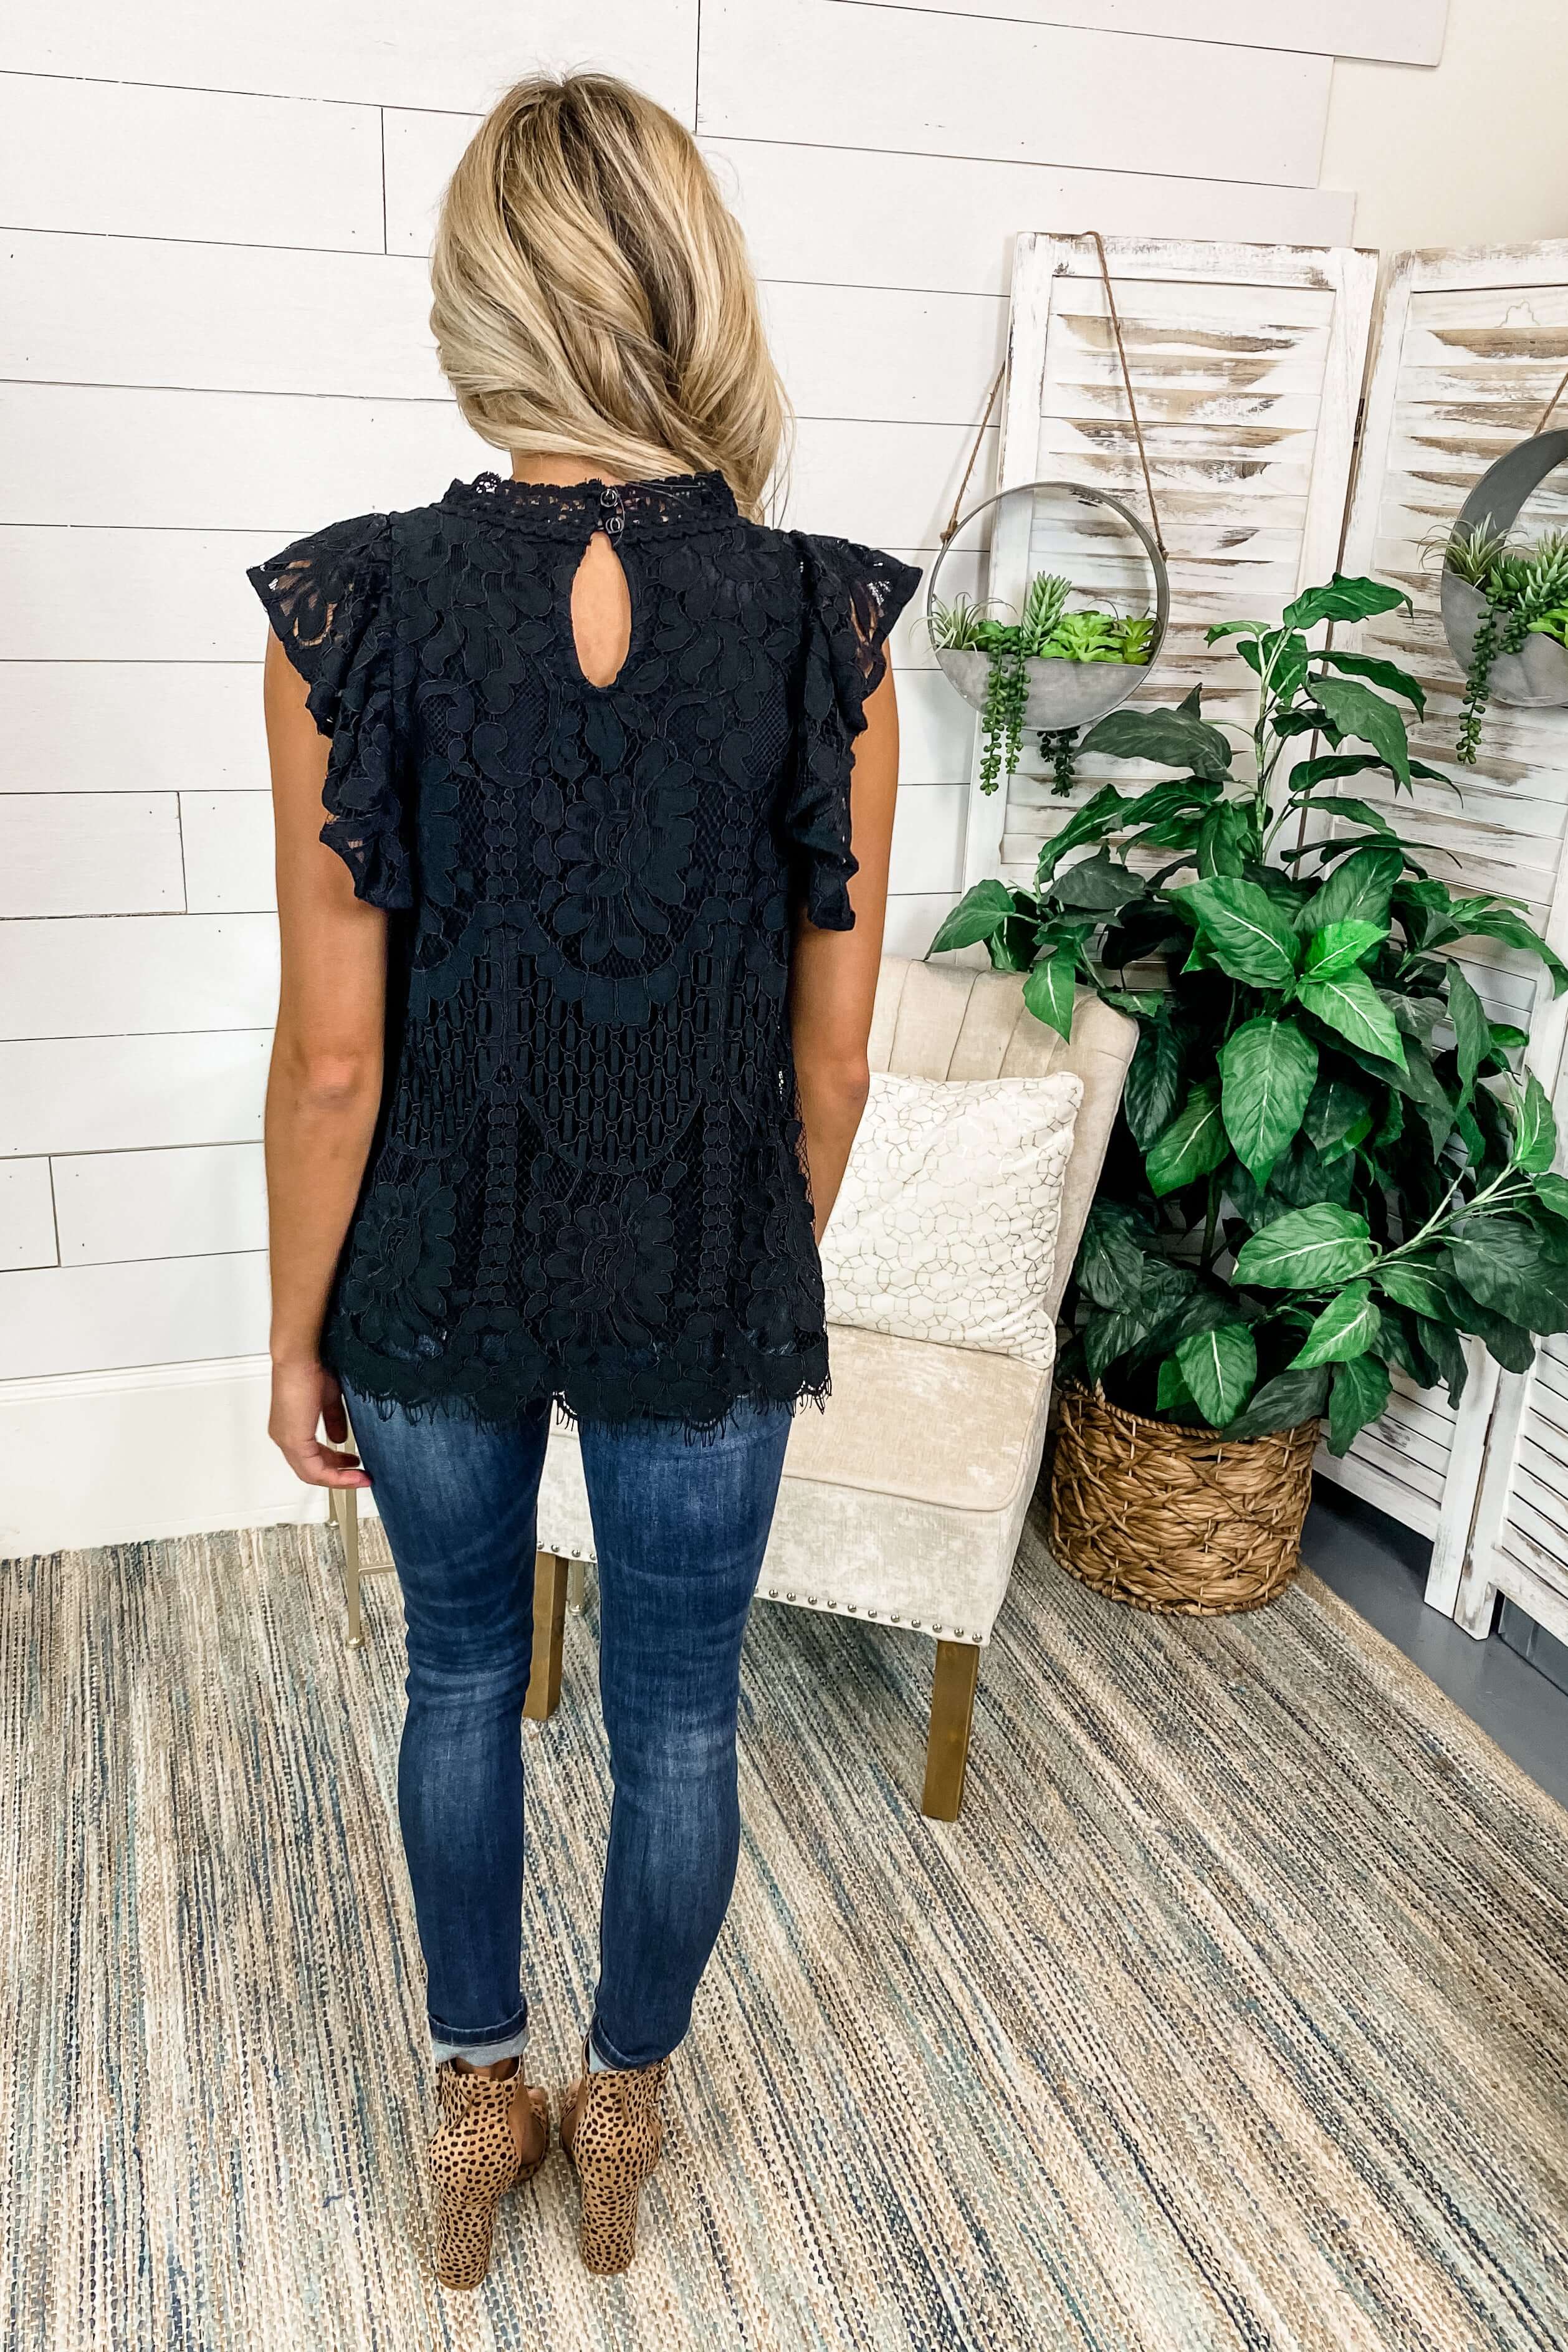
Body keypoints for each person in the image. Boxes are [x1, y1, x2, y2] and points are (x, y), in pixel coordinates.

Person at [250, 70, 919, 2290]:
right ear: (693, 288)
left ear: (481, 296)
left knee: (458, 1677)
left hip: (430, 1256)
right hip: (703, 1256)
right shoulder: (824, 624)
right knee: (682, 1710)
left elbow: (334, 1059)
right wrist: (748, 1255)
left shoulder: (351, 606)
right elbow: (836, 1058)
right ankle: (622, 2111)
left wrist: (295, 1330)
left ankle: (477, 2101)